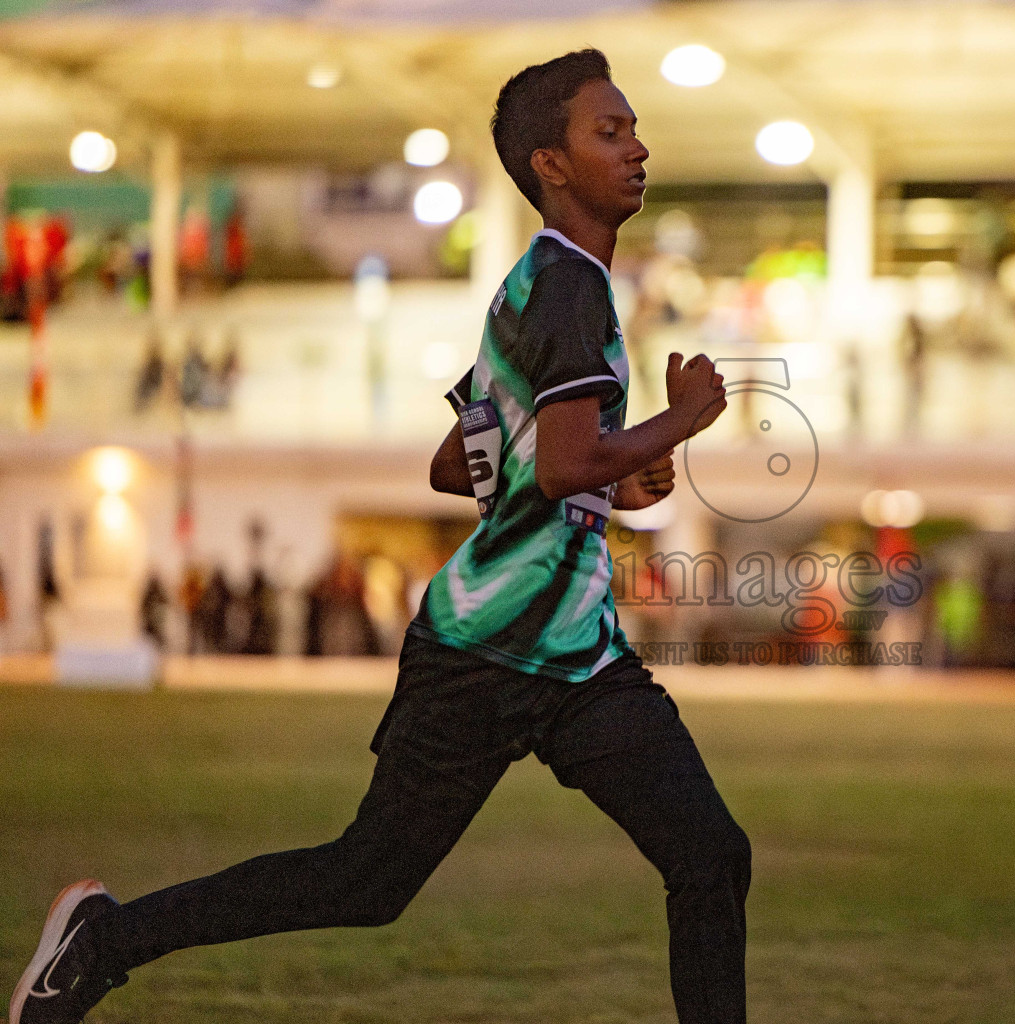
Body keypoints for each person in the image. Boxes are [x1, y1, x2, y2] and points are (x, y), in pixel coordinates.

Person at [10, 50, 743, 1024]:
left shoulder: (541, 289)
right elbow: (560, 465)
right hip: (482, 653)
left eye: (635, 127)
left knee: (708, 853)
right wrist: (680, 418)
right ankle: (106, 939)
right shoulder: (564, 287)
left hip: (572, 657)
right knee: (365, 880)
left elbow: (463, 464)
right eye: (609, 131)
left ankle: (104, 938)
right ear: (550, 165)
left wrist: (618, 465)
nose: (638, 146)